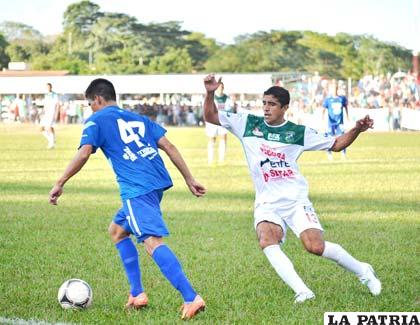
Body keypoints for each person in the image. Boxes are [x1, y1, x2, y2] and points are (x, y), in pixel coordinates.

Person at [203, 74, 381, 303]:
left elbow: (336, 145)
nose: (266, 109)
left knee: (314, 246)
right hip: (267, 202)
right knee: (267, 239)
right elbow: (210, 115)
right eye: (264, 103)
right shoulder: (248, 124)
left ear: (285, 108)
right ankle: (303, 291)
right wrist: (209, 93)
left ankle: (363, 271)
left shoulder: (298, 133)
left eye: (272, 105)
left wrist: (356, 129)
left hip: (295, 200)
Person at [49, 78, 206, 320]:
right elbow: (169, 146)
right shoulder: (139, 118)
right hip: (156, 183)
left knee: (152, 241)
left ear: (98, 99)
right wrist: (189, 178)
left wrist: (60, 182)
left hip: (137, 188)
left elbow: (83, 153)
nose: (90, 108)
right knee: (117, 231)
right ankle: (137, 294)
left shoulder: (96, 119)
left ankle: (191, 297)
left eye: (90, 103)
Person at [204, 81, 232, 165]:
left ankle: (221, 160)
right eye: (219, 87)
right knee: (212, 139)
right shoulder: (211, 97)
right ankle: (210, 160)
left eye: (222, 87)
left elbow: (230, 109)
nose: (221, 89)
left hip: (222, 121)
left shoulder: (227, 98)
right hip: (212, 121)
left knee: (223, 138)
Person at [322, 83, 349, 160]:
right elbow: (323, 109)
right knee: (329, 139)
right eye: (333, 89)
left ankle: (343, 154)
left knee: (343, 138)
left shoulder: (342, 98)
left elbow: (346, 107)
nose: (334, 90)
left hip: (340, 122)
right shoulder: (328, 99)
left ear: (338, 89)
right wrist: (322, 117)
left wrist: (347, 116)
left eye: (336, 89)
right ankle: (329, 154)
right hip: (331, 123)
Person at [40, 83, 59, 149]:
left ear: (51, 87)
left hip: (52, 113)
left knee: (49, 127)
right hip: (46, 113)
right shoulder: (46, 95)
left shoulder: (54, 95)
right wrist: (43, 112)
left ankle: (51, 143)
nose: (48, 88)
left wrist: (56, 113)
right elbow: (45, 105)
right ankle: (52, 140)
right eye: (47, 87)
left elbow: (57, 104)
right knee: (41, 128)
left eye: (49, 87)